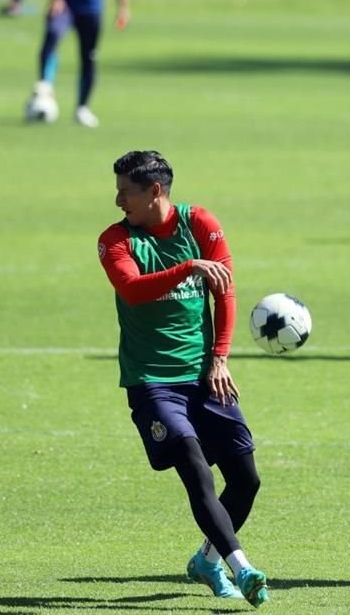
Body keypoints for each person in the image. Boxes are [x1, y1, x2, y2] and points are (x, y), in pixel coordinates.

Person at [97, 151, 269, 608]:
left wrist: (221, 358)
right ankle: (241, 567)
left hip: (204, 374)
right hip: (152, 381)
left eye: (125, 191)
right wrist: (188, 268)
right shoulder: (115, 240)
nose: (117, 200)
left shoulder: (200, 223)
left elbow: (225, 291)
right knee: (194, 465)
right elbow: (133, 290)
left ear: (155, 191)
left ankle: (206, 561)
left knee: (246, 480)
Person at [27, 0, 130, 127]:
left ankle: (82, 107)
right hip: (64, 5)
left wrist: (123, 7)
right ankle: (45, 87)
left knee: (89, 56)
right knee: (53, 35)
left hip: (91, 7)